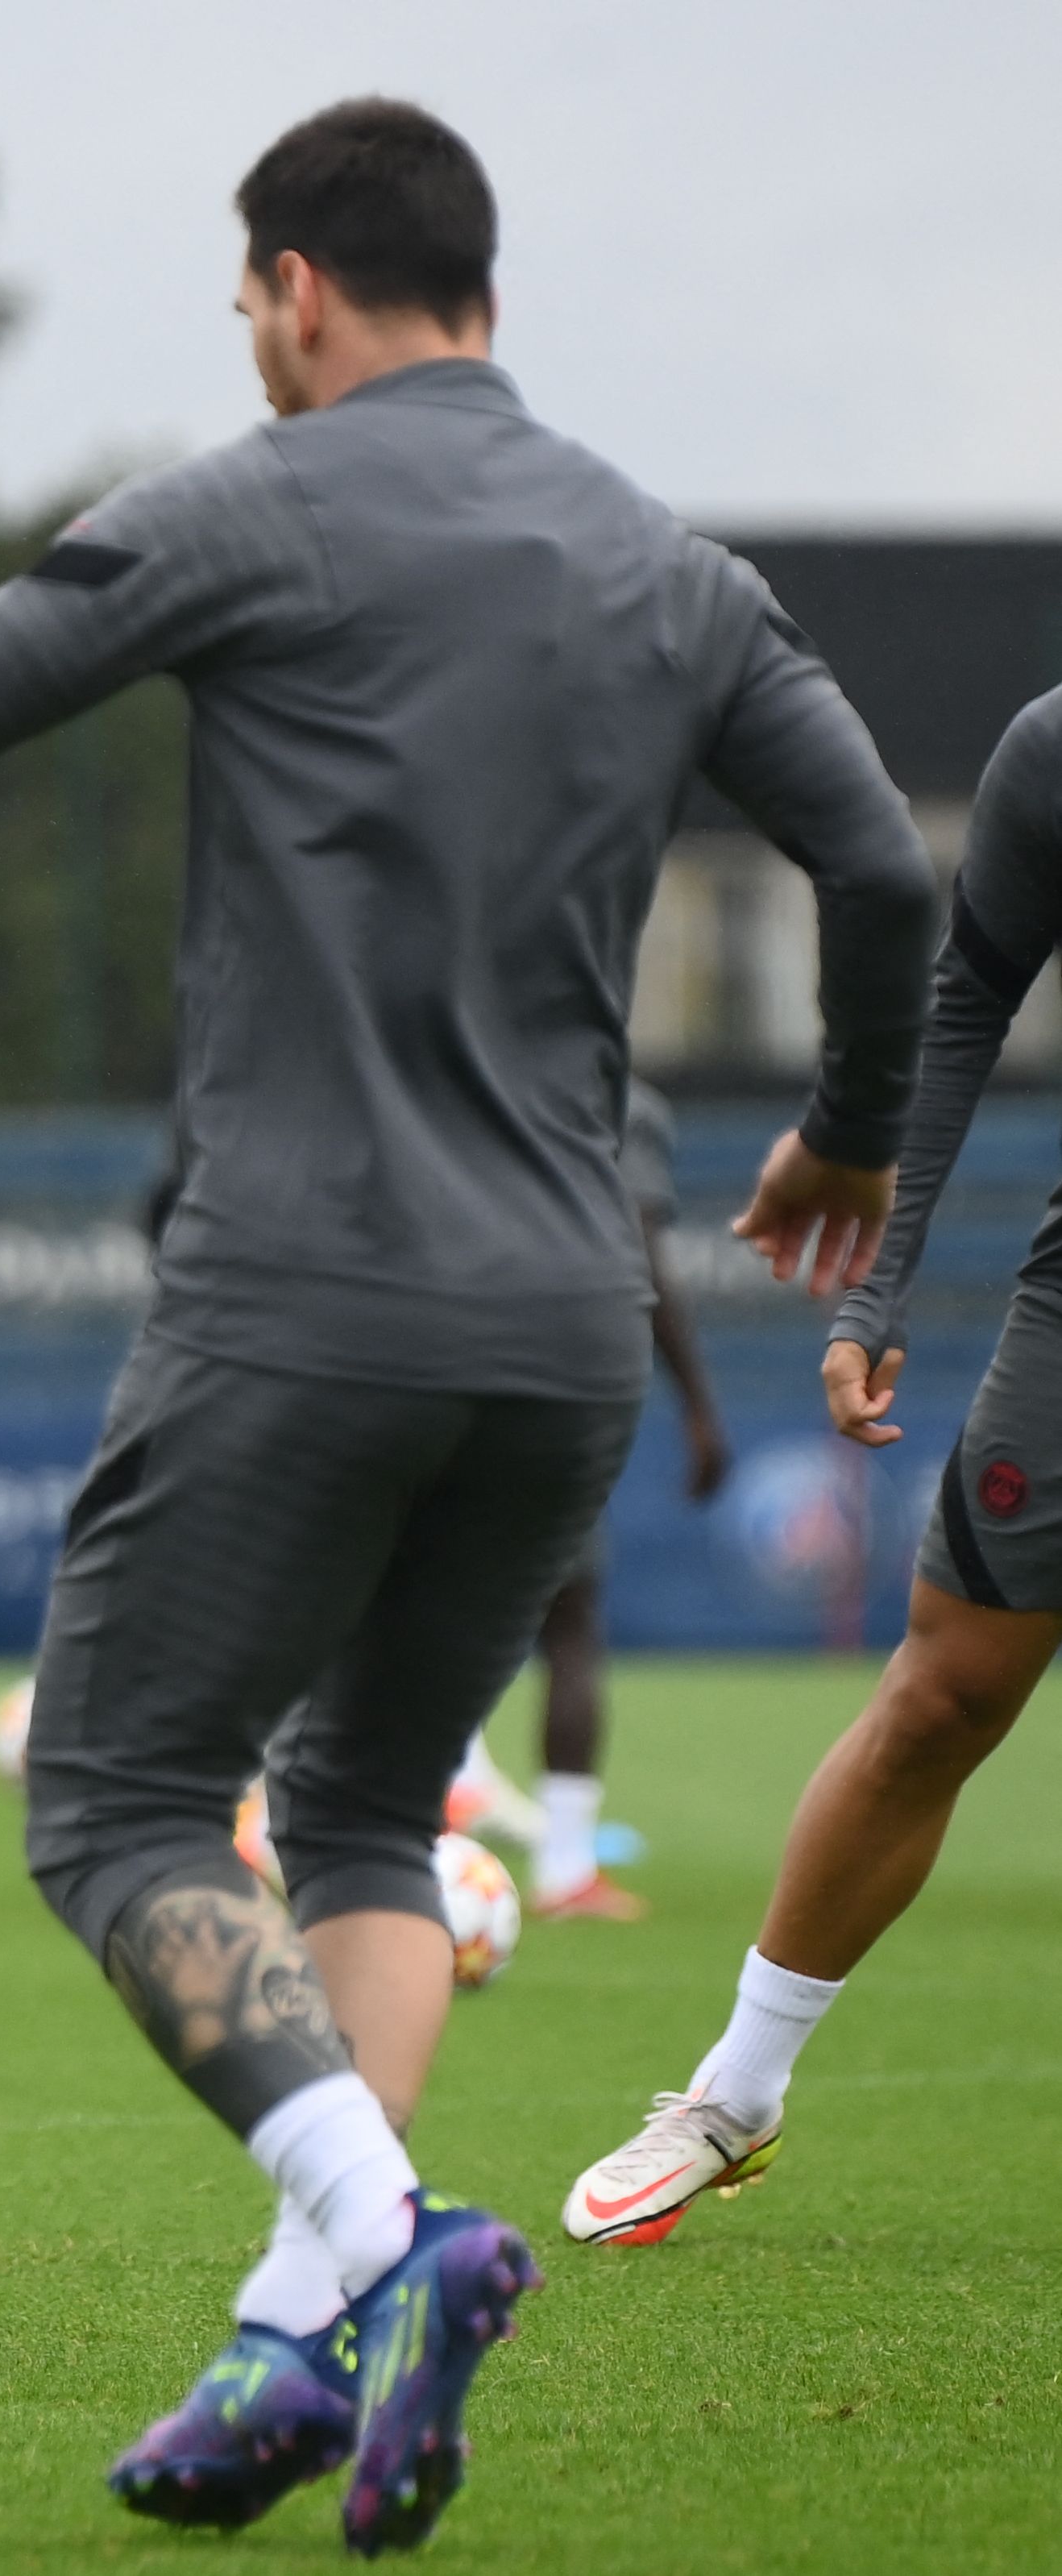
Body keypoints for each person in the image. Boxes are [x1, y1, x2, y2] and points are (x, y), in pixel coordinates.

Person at [0, 99, 929, 2550]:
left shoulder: (250, 504)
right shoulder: (664, 564)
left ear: (296, 287)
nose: (243, 338)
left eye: (241, 302)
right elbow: (866, 861)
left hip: (305, 1285)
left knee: (101, 1795)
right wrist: (839, 1134)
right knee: (362, 1816)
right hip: (557, 1320)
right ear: (474, 289)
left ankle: (398, 2257)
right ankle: (294, 2343)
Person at [563, 688, 1062, 2252]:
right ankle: (735, 2088)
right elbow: (961, 1009)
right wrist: (872, 1285)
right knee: (942, 1690)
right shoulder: (1049, 750)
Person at [520, 1078, 732, 1922]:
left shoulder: (428, 1058)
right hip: (547, 1383)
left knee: (401, 1608)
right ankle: (563, 1866)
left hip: (407, 1362)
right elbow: (640, 1246)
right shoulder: (614, 1095)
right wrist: (698, 1406)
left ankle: (380, 1843)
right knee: (567, 1618)